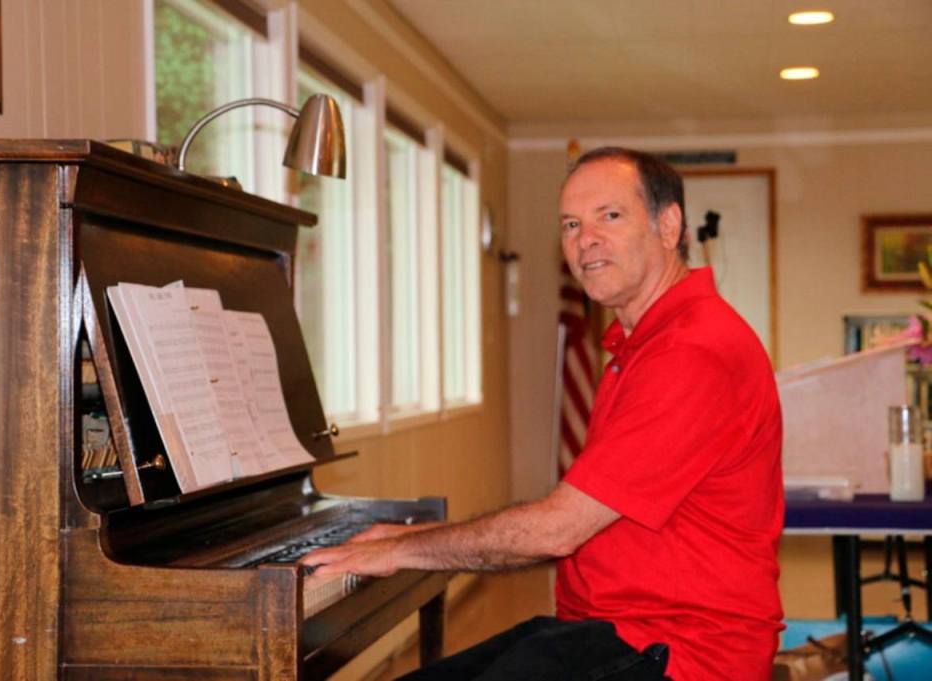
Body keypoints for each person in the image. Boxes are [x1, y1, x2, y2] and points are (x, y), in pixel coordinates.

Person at [302, 147, 784, 681]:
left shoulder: (692, 350)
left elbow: (558, 530)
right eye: (572, 224)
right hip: (609, 631)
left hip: (682, 654)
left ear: (668, 226)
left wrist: (401, 551)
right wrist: (411, 542)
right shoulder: (645, 342)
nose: (585, 239)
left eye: (610, 215)